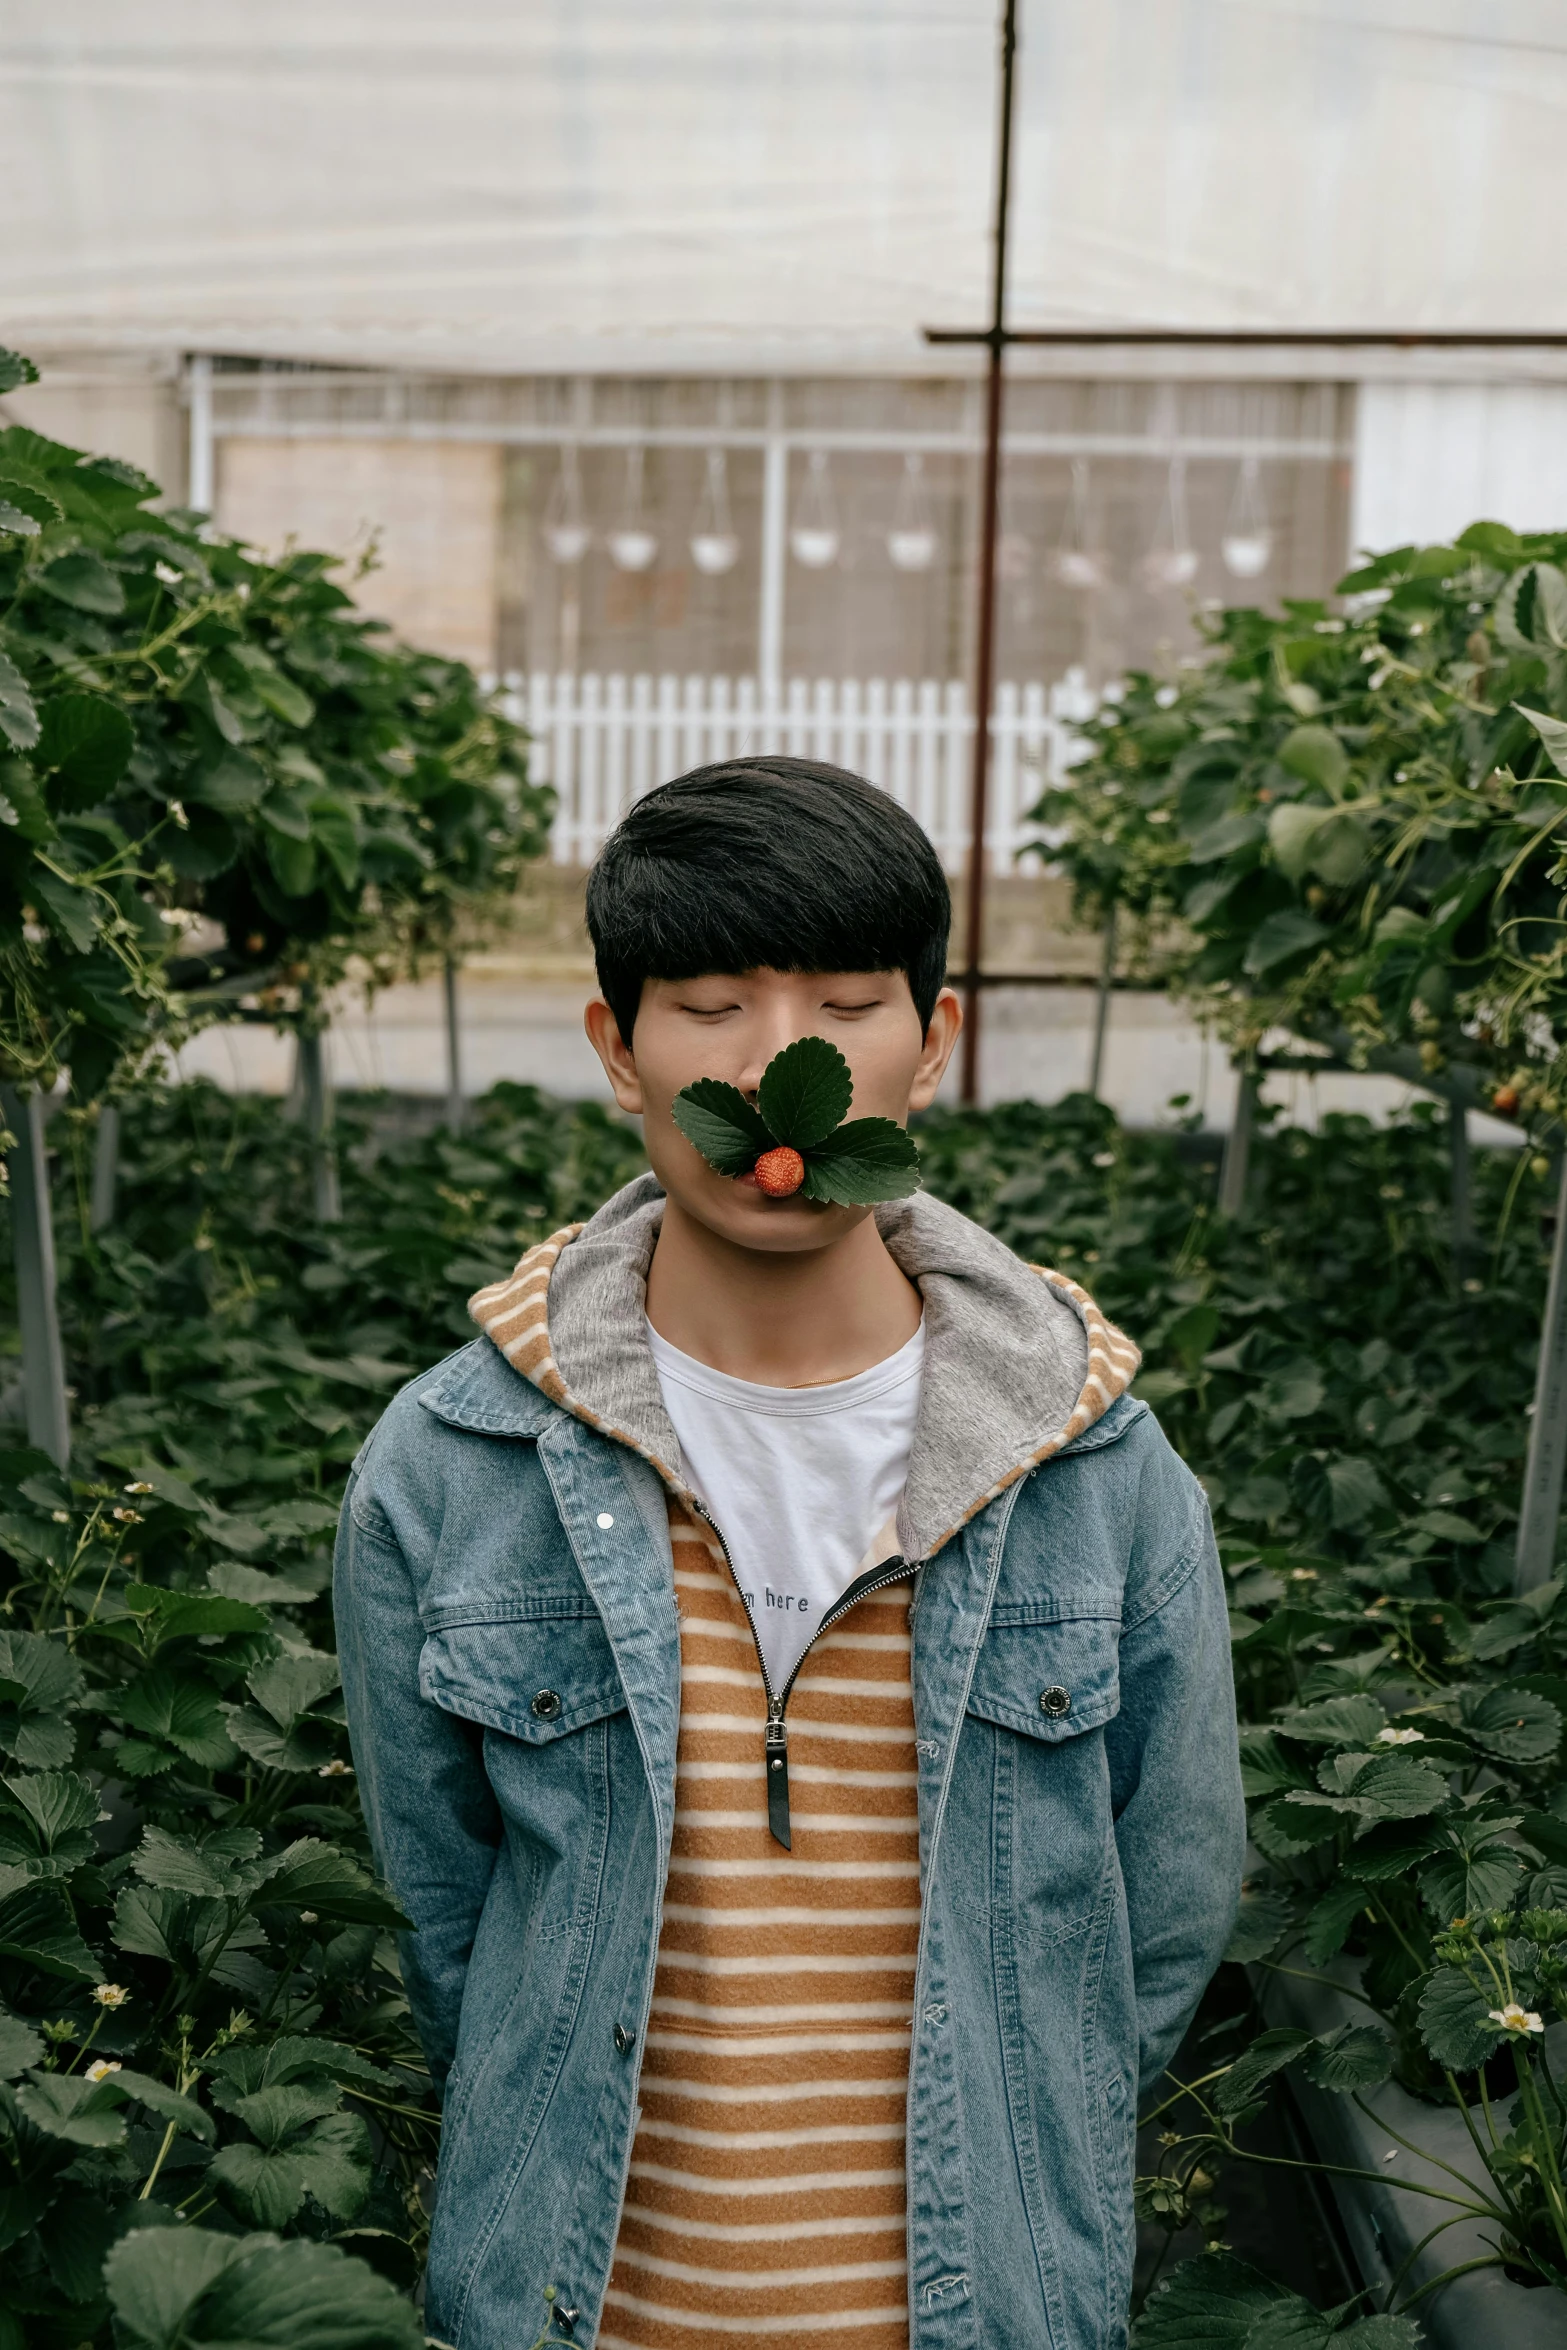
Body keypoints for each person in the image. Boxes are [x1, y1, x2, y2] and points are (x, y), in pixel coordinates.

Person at [334, 756, 1245, 2350]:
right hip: (577, 2309)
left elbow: (1157, 1917)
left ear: (933, 1042)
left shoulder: (1095, 1476)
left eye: (842, 998)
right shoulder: (450, 1469)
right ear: (618, 1047)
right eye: (708, 1002)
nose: (778, 1065)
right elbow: (445, 1912)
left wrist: (1028, 2136)